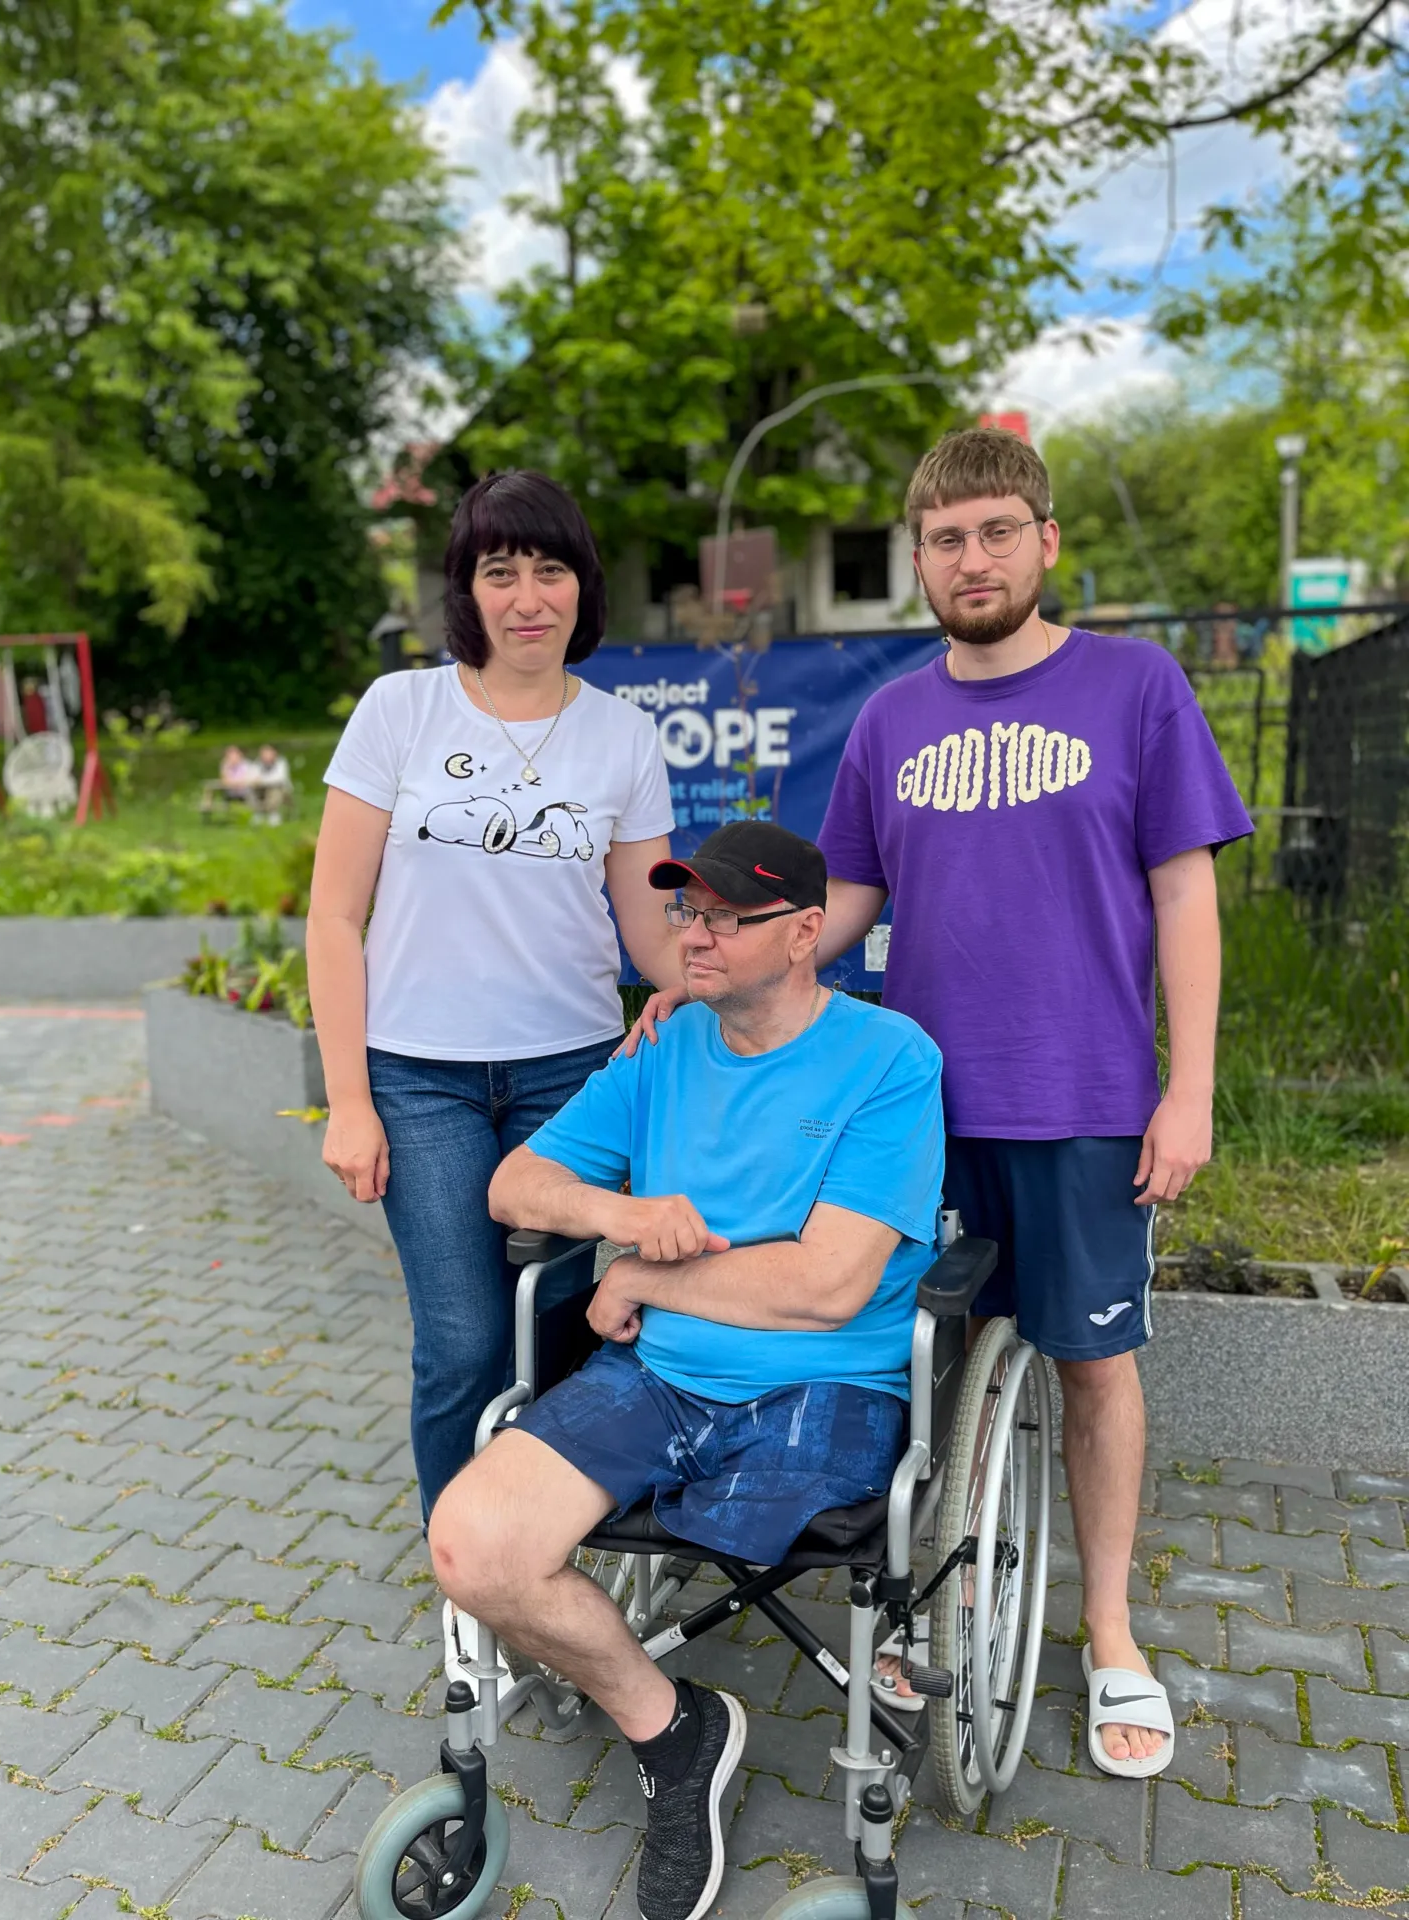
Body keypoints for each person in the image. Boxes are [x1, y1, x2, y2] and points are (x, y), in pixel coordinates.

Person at [628, 428, 1253, 1779]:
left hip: (1085, 1100)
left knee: (1092, 1362)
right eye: (946, 538)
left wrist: (1189, 1088)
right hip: (916, 1110)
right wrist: (724, 973)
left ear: (1045, 542)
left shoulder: (1136, 688)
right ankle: (941, 1600)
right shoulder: (892, 721)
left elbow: (1186, 898)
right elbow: (844, 905)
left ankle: (1109, 1629)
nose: (972, 558)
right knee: (930, 1362)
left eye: (995, 531)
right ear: (919, 559)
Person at [432, 821, 944, 1920]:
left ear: (806, 934)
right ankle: (676, 1731)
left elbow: (828, 1285)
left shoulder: (890, 1059)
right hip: (655, 1380)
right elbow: (514, 1187)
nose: (694, 935)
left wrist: (645, 1279)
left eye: (725, 916)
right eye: (685, 912)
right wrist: (625, 1222)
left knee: (732, 1527)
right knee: (472, 1545)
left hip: (825, 1387)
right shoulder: (661, 1048)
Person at [306, 469, 682, 1544]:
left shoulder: (623, 737)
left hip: (569, 1079)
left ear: (582, 587)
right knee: (465, 1342)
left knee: (560, 1336)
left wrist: (713, 979)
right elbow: (334, 918)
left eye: (549, 569)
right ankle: (466, 1573)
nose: (527, 596)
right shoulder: (401, 710)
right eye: (499, 571)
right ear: (466, 590)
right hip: (417, 1083)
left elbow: (648, 931)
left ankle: (545, 1558)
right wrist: (348, 1101)